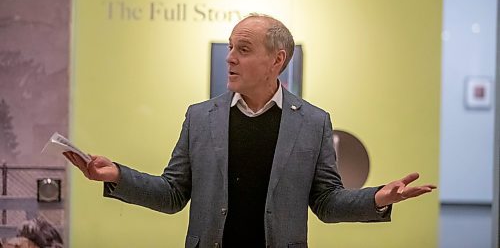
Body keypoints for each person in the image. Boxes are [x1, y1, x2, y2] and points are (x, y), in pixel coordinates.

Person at [65, 14, 436, 248]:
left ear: (277, 60)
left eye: (243, 49)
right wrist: (116, 175)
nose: (229, 57)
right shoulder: (200, 118)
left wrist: (377, 199)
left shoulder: (313, 122)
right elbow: (173, 193)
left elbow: (326, 202)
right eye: (230, 48)